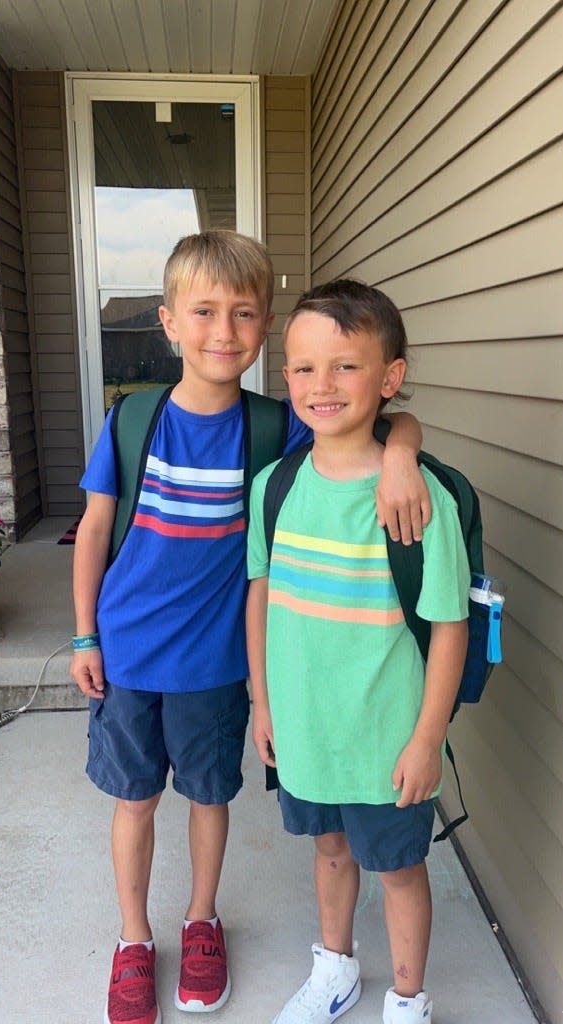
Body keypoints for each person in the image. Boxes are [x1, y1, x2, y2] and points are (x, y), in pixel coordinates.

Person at [70, 232, 430, 1024]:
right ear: (168, 322)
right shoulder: (132, 421)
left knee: (206, 797)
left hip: (216, 663)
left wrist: (403, 451)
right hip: (127, 653)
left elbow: (375, 425)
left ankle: (201, 921)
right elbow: (95, 532)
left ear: (264, 325)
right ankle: (134, 939)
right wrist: (85, 635)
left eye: (240, 313)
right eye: (202, 312)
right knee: (133, 801)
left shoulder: (278, 426)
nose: (221, 331)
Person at [246, 279, 470, 1024]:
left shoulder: (414, 498)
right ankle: (335, 969)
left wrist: (426, 739)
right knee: (330, 851)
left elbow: (446, 625)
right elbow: (260, 597)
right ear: (284, 377)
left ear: (389, 377)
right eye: (303, 367)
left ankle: (408, 999)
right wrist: (264, 702)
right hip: (306, 729)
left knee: (400, 870)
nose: (321, 384)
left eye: (345, 365)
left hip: (386, 739)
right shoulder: (272, 488)